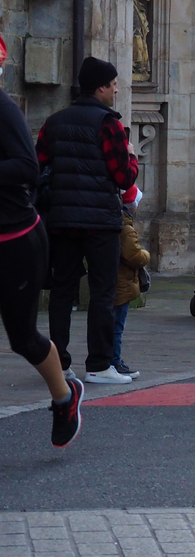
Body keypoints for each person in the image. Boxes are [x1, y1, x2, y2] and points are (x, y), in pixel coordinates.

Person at [0, 33, 83, 447]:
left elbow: (26, 168)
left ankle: (64, 397)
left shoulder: (3, 110)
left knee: (23, 338)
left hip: (15, 241)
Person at [37, 56, 139, 384]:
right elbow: (123, 177)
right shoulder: (108, 124)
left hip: (62, 219)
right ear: (100, 88)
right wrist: (133, 157)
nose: (116, 90)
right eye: (113, 85)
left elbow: (39, 164)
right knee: (102, 292)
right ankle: (99, 364)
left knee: (62, 292)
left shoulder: (54, 122)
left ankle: (58, 363)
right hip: (100, 222)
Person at [112, 184, 150, 378]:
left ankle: (113, 360)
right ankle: (115, 361)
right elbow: (133, 255)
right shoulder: (126, 228)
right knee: (117, 326)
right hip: (123, 284)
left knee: (114, 324)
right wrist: (146, 255)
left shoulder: (122, 223)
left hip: (118, 282)